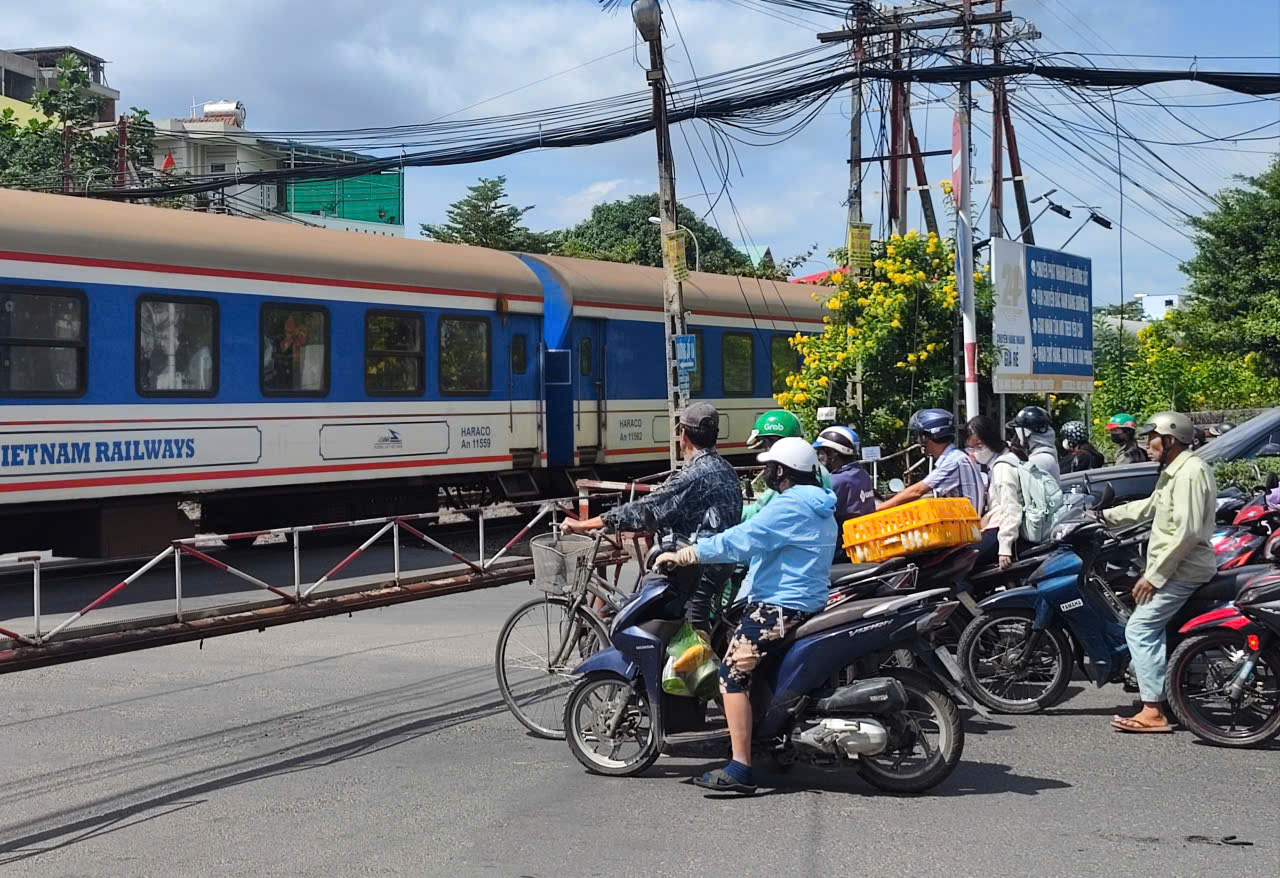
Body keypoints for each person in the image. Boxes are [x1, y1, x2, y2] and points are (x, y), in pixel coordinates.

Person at [656, 437, 836, 795]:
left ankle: (740, 767)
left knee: (732, 673)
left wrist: (689, 554)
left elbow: (743, 538)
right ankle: (767, 741)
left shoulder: (790, 506)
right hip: (805, 599)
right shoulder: (818, 504)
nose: (764, 472)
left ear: (781, 471)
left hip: (778, 606)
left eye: (769, 466)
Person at [563, 403, 742, 628]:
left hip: (694, 571)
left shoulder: (691, 476)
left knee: (656, 628)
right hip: (721, 566)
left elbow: (643, 510)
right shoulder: (727, 470)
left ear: (683, 435)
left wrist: (583, 524)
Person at [1103, 411, 1217, 734]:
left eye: (1152, 438)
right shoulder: (1174, 471)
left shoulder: (1190, 473)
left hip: (1184, 570)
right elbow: (1149, 507)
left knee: (1139, 629)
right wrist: (1103, 516)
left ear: (1169, 439)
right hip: (1176, 566)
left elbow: (1188, 533)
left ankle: (1152, 711)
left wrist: (1154, 577)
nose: (1147, 444)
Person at [879, 408, 986, 516]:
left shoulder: (954, 461)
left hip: (965, 529)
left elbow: (917, 491)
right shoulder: (955, 457)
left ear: (928, 437)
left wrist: (878, 509)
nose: (919, 441)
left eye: (921, 437)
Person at [741, 409, 831, 521]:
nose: (765, 450)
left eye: (766, 444)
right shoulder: (819, 470)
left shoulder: (787, 477)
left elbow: (757, 514)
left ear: (775, 442)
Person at [965, 416, 1023, 570]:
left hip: (1000, 529)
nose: (976, 452)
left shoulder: (1002, 467)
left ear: (990, 440)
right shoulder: (998, 463)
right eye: (971, 447)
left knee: (962, 563)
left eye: (979, 445)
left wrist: (1005, 548)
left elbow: (1010, 508)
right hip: (996, 526)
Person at [812, 426, 875, 526]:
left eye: (820, 452)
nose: (818, 456)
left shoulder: (836, 481)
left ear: (832, 453)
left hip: (840, 539)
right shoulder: (862, 474)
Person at [1007, 405, 1061, 482]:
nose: (1017, 440)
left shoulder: (1039, 460)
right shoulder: (1047, 453)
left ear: (1026, 434)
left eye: (1018, 435)